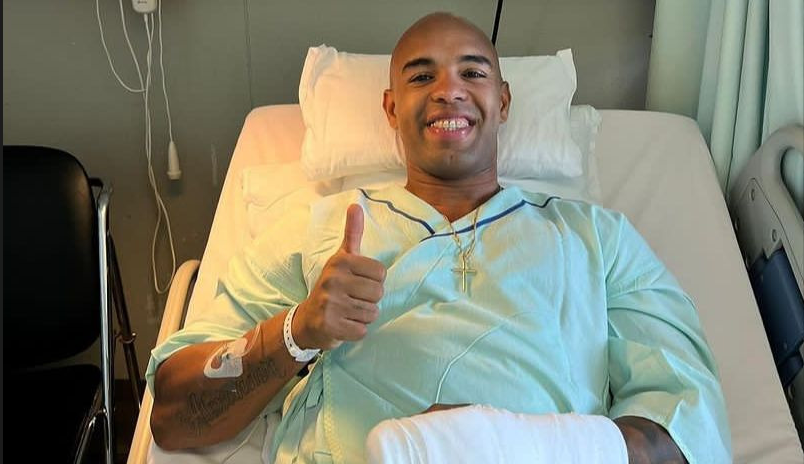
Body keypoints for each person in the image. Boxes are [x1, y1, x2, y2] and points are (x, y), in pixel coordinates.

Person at [147, 12, 731, 464]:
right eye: (421, 76)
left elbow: (686, 429)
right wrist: (296, 332)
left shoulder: (598, 239)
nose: (448, 90)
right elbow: (174, 413)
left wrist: (507, 447)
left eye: (472, 73)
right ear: (390, 107)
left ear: (503, 101)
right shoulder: (316, 230)